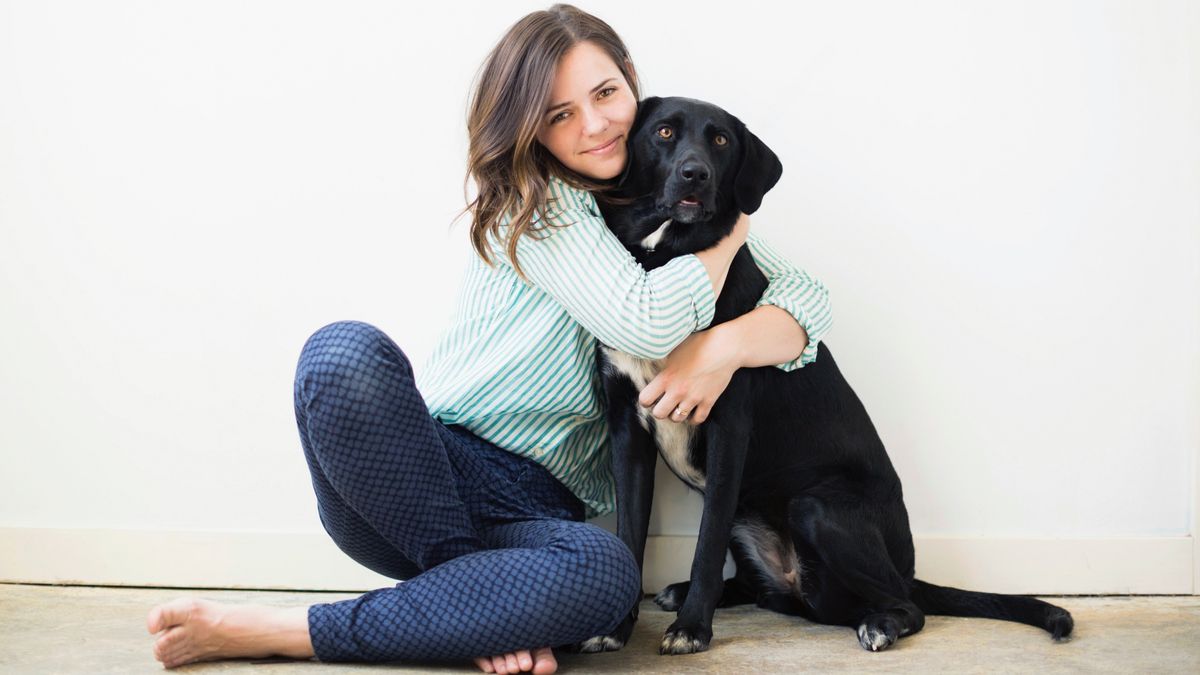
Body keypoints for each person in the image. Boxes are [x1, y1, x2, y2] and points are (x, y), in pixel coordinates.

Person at [145, 4, 832, 673]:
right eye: (560, 114)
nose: (593, 124)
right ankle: (468, 600)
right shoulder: (537, 197)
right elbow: (642, 321)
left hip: (534, 512)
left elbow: (806, 297)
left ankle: (345, 623)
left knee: (605, 574)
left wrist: (725, 345)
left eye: (605, 93)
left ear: (631, 79)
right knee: (342, 350)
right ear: (531, 127)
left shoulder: (674, 195)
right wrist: (737, 230)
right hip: (421, 473)